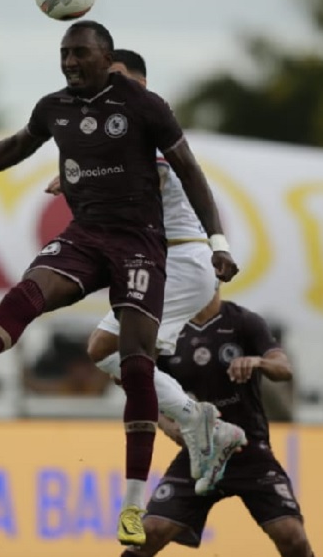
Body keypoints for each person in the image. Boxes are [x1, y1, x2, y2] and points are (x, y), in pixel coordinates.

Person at [0, 20, 239, 546]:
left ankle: (137, 501)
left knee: (134, 362)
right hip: (88, 237)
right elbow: (17, 145)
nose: (69, 63)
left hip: (149, 250)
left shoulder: (146, 109)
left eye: (80, 53)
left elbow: (187, 170)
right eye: (64, 53)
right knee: (29, 294)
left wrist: (220, 242)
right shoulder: (57, 106)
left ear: (109, 61)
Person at [45, 49, 247, 493]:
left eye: (118, 79)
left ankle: (200, 422)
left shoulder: (146, 129)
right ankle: (201, 433)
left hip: (180, 258)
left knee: (111, 351)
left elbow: (148, 181)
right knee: (116, 357)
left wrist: (83, 176)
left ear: (140, 84)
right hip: (169, 261)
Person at [126, 287, 313, 557]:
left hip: (249, 450)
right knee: (150, 532)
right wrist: (168, 426)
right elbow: (145, 390)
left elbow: (284, 368)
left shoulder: (244, 321)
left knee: (292, 537)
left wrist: (258, 361)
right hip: (201, 453)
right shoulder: (169, 330)